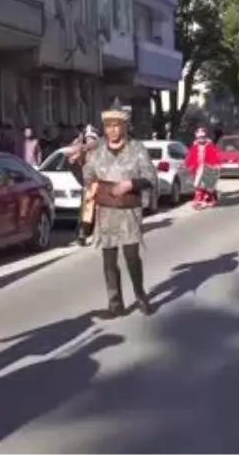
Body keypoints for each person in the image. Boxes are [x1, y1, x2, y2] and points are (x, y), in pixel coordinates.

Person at [82, 101, 158, 318]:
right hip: (105, 212)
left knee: (132, 256)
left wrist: (131, 184)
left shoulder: (137, 149)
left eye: (117, 126)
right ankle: (115, 302)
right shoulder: (96, 152)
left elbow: (150, 177)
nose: (112, 130)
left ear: (124, 126)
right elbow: (87, 179)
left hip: (129, 212)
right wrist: (75, 163)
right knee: (109, 260)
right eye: (108, 126)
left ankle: (140, 294)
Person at [184, 127, 223, 210]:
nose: (201, 139)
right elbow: (190, 156)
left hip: (208, 168)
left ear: (205, 137)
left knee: (206, 185)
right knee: (198, 185)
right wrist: (187, 164)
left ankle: (207, 199)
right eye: (199, 137)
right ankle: (200, 200)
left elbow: (215, 156)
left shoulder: (209, 145)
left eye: (203, 137)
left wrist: (216, 165)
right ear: (197, 138)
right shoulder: (195, 146)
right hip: (197, 168)